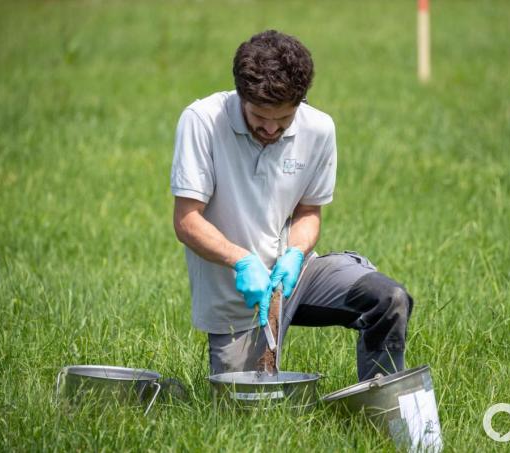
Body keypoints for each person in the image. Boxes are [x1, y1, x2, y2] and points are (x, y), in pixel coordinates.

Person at [170, 30, 414, 381]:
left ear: (300, 103)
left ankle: (383, 409)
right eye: (259, 116)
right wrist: (242, 260)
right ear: (241, 95)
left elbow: (308, 212)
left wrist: (296, 254)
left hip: (296, 276)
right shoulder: (202, 121)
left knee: (388, 300)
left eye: (282, 120)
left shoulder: (319, 129)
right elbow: (186, 221)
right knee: (244, 408)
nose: (270, 128)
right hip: (236, 293)